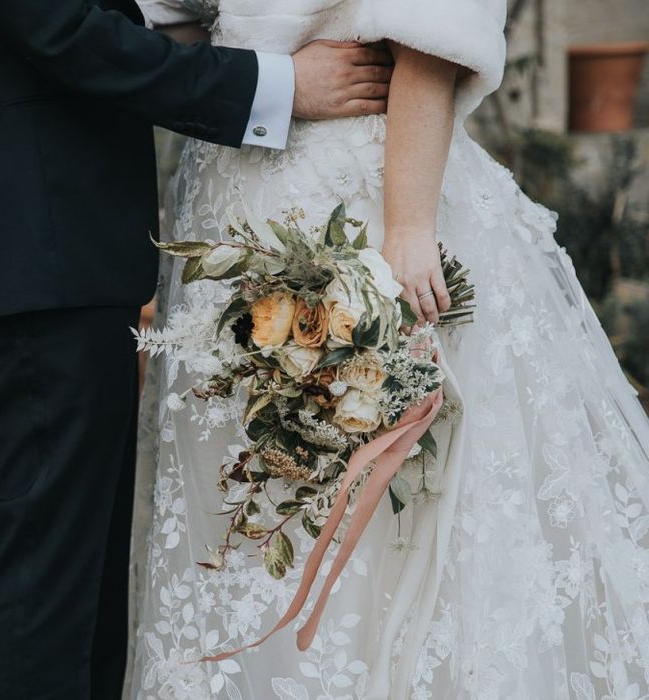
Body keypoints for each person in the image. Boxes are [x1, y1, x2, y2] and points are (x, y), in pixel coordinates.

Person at [131, 1, 649, 698]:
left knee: (379, 490)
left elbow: (432, 35)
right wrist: (253, 74)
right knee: (251, 484)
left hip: (362, 195)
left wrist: (407, 227)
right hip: (233, 194)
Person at [0, 0, 394, 697]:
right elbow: (65, 34)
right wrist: (275, 87)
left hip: (47, 247)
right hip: (35, 250)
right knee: (51, 567)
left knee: (77, 559)